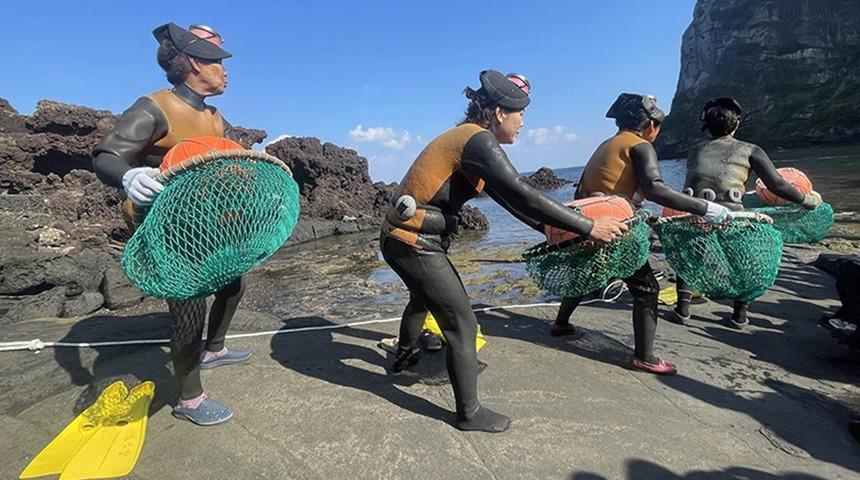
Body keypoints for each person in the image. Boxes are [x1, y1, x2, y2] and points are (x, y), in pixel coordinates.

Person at [380, 70, 627, 432]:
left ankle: (403, 356)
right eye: (520, 114)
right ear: (499, 113)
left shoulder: (469, 141)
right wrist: (589, 226)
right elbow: (524, 193)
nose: (523, 123)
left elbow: (511, 202)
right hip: (414, 242)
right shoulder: (478, 141)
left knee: (422, 298)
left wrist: (552, 232)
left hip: (401, 239)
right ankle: (469, 413)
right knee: (463, 324)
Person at [92, 23, 250, 426]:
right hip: (167, 223)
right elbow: (107, 154)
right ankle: (190, 398)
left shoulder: (213, 116)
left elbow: (236, 154)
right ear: (195, 63)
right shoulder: (155, 107)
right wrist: (127, 177)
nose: (225, 71)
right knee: (188, 305)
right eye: (217, 63)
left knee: (233, 283)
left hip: (206, 219)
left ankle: (213, 349)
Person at [551, 93, 742, 375]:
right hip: (613, 224)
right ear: (651, 125)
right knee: (646, 288)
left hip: (588, 220)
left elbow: (585, 189)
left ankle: (561, 323)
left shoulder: (607, 145)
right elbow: (655, 188)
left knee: (587, 273)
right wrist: (705, 208)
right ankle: (645, 357)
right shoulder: (641, 146)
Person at [672, 97, 821, 329]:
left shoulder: (695, 149)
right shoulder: (750, 149)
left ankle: (682, 309)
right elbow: (777, 185)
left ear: (706, 126)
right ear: (736, 125)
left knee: (691, 255)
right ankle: (739, 315)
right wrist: (806, 200)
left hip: (696, 217)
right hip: (731, 217)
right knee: (745, 260)